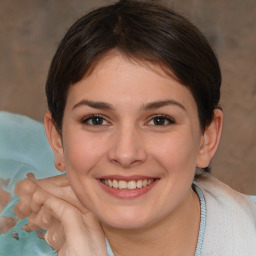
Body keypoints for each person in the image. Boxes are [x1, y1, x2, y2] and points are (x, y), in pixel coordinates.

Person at [10, 0, 256, 255]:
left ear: (207, 137)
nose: (126, 154)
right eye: (96, 120)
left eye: (160, 120)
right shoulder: (14, 242)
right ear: (58, 140)